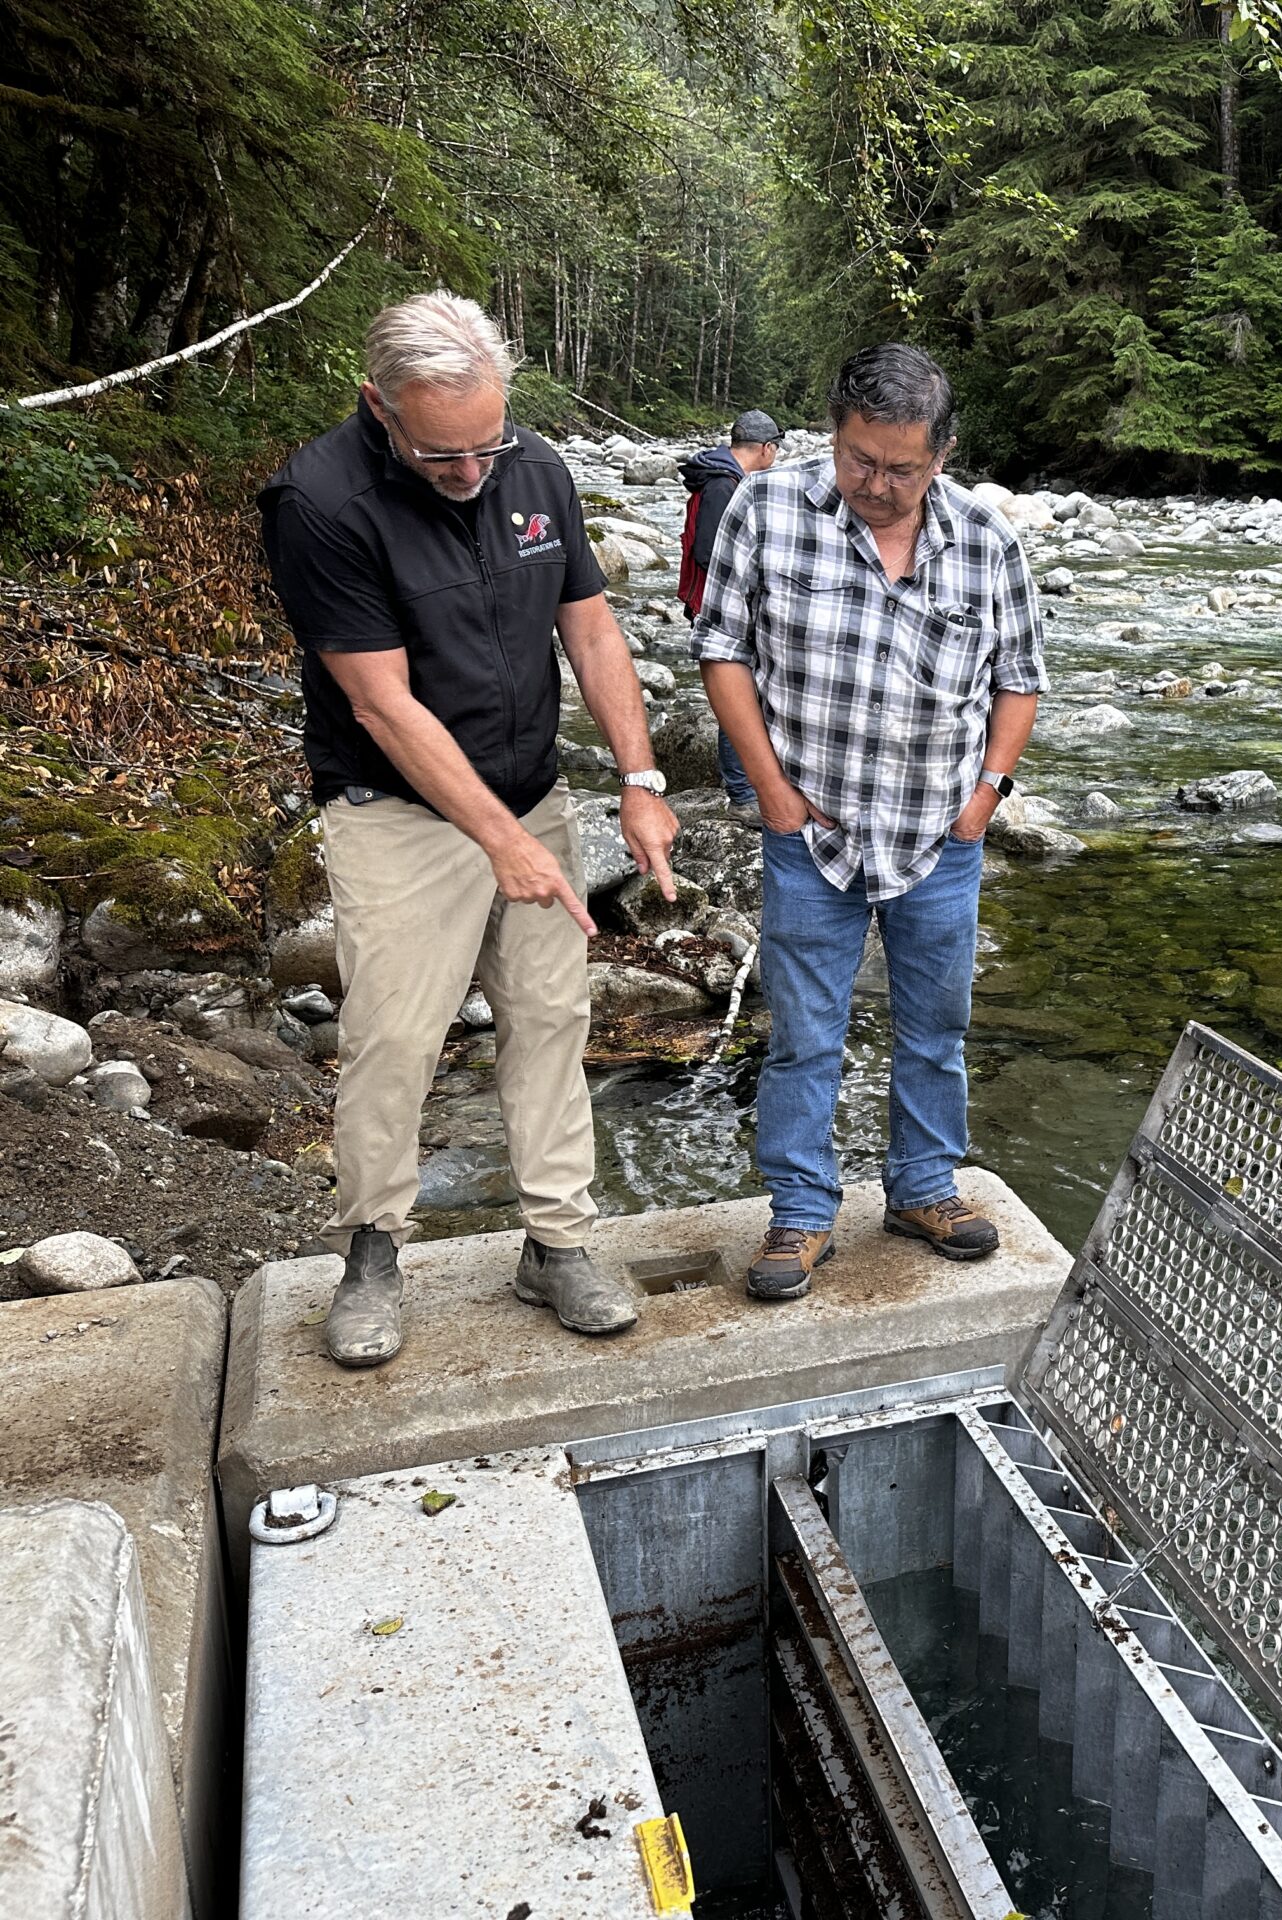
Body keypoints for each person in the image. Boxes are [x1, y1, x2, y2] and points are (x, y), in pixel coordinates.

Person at [260, 290, 681, 1368]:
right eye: (442, 454)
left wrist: (637, 777)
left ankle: (556, 1244)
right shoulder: (320, 500)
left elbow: (587, 627)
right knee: (395, 1038)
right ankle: (370, 1253)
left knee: (549, 1018)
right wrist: (499, 839)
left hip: (531, 788)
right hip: (395, 812)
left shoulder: (530, 466)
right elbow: (381, 703)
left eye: (485, 442)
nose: (471, 472)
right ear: (377, 406)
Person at [692, 343, 1043, 1299]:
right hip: (811, 830)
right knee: (806, 1032)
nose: (876, 485)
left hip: (942, 836)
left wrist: (988, 796)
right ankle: (801, 1211)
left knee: (937, 1024)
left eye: (902, 468)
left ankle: (923, 1185)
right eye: (858, 460)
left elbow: (1019, 680)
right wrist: (769, 789)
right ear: (833, 436)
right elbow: (722, 651)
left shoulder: (988, 541)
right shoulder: (764, 513)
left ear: (943, 454)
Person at [678, 410, 785, 812]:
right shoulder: (726, 487)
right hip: (719, 608)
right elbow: (711, 551)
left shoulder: (720, 477)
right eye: (775, 448)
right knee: (740, 696)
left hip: (712, 602)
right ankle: (742, 794)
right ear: (765, 448)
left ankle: (746, 786)